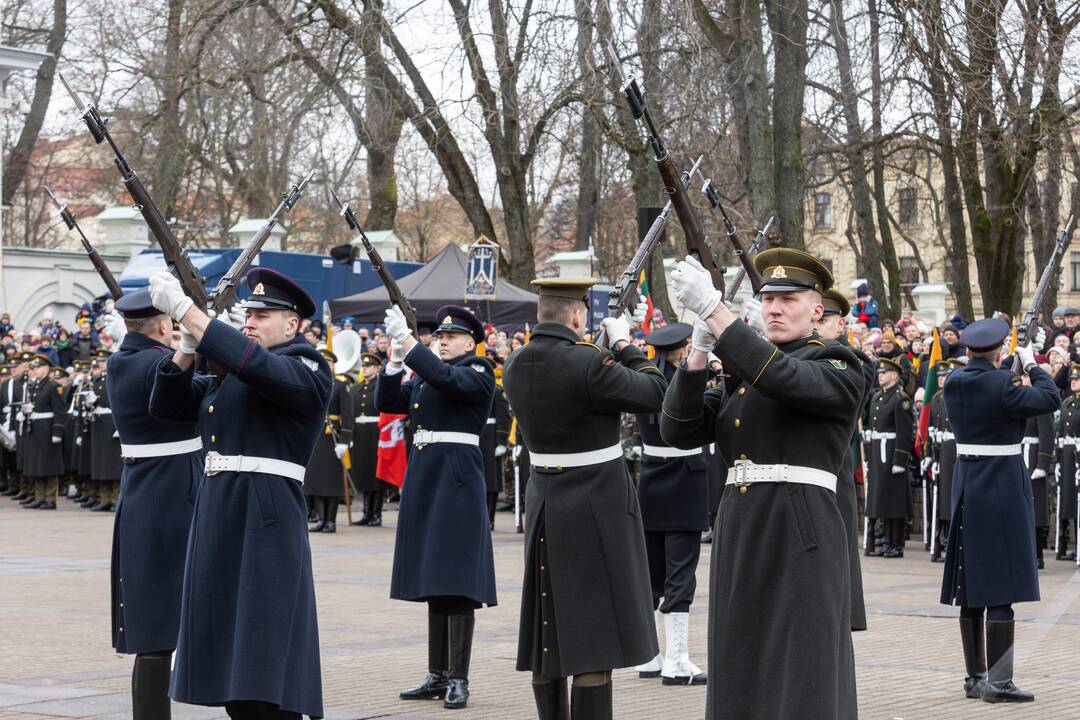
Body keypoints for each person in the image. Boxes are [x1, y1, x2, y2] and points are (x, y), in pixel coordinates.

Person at [662, 250, 864, 720]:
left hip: (801, 534)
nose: (774, 307)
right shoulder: (745, 375)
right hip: (743, 530)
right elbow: (679, 431)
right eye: (768, 298)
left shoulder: (841, 364)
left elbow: (785, 377)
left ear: (817, 310)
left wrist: (717, 311)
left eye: (788, 298)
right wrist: (697, 353)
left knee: (802, 669)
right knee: (740, 661)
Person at [147, 267, 332, 720]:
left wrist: (190, 315)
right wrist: (187, 351)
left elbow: (260, 367)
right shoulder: (232, 374)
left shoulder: (306, 366)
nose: (250, 321)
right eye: (248, 313)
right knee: (230, 664)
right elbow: (166, 406)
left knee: (265, 663)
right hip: (220, 515)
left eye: (263, 314)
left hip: (265, 516)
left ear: (293, 324)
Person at [502, 280, 661, 720]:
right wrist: (625, 343)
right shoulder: (590, 362)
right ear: (577, 317)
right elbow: (656, 394)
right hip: (596, 506)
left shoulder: (515, 362)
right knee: (595, 638)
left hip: (545, 500)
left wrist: (602, 347)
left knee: (546, 634)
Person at [375, 304, 497, 710]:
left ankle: (459, 678)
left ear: (469, 342)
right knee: (435, 579)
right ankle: (437, 673)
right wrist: (395, 359)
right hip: (427, 478)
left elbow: (449, 381)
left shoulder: (477, 371)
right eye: (438, 336)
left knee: (457, 579)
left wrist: (412, 345)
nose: (441, 341)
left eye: (450, 337)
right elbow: (389, 400)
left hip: (456, 479)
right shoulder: (427, 375)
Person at [940, 318, 1058, 703]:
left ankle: (975, 678)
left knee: (970, 587)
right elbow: (1049, 398)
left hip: (967, 485)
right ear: (998, 350)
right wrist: (1032, 363)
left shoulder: (955, 382)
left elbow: (988, 385)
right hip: (1002, 488)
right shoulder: (1004, 386)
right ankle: (1000, 683)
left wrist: (1009, 367)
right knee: (1001, 589)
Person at [104, 290, 203, 719]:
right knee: (165, 621)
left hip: (143, 489)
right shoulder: (159, 366)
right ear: (165, 326)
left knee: (153, 620)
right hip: (177, 489)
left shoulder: (120, 361)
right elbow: (204, 388)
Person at [632, 322, 708, 685]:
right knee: (680, 575)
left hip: (650, 478)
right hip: (684, 482)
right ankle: (676, 661)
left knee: (652, 574)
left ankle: (649, 657)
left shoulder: (645, 383)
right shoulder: (684, 384)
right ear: (681, 351)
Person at [815, 287, 871, 630]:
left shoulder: (850, 364)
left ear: (841, 326)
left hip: (833, 477)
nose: (816, 324)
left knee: (835, 578)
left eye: (824, 319)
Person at [866, 356, 915, 558]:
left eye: (884, 373)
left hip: (893, 454)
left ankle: (896, 543)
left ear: (894, 375)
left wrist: (900, 460)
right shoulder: (877, 397)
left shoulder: (900, 399)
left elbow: (905, 432)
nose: (880, 376)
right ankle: (885, 540)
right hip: (879, 453)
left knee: (894, 500)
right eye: (879, 373)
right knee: (881, 499)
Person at [303, 347, 353, 534]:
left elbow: (348, 416)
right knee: (316, 481)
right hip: (316, 438)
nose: (327, 365)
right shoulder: (312, 382)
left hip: (332, 437)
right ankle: (322, 519)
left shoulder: (340, 385)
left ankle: (331, 520)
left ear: (333, 365)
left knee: (331, 482)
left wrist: (345, 441)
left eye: (329, 362)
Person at [19, 354, 68, 509]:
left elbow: (60, 411)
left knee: (49, 466)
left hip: (48, 430)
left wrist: (57, 432)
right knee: (38, 465)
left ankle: (50, 498)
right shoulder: (36, 385)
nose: (35, 370)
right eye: (34, 367)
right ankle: (39, 496)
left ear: (46, 369)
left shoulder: (54, 386)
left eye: (38, 367)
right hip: (36, 430)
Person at [1020, 366, 1056, 570]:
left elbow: (1047, 434)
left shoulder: (1038, 400)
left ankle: (1037, 554)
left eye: (1026, 375)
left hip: (1033, 457)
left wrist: (1043, 463)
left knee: (1035, 509)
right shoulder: (1018, 399)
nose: (1024, 379)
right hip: (1019, 454)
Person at [349, 352, 387, 526]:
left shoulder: (381, 386)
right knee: (363, 474)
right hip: (360, 435)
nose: (365, 369)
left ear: (378, 368)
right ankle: (366, 513)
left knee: (377, 476)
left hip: (377, 434)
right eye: (363, 366)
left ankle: (376, 514)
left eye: (369, 366)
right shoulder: (356, 388)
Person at [1056, 364, 1080, 561]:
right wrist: (1057, 461)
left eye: (1077, 379)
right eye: (1072, 379)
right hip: (1066, 457)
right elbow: (1060, 433)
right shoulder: (1067, 403)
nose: (1073, 382)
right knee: (1068, 501)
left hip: (1078, 457)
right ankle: (1064, 545)